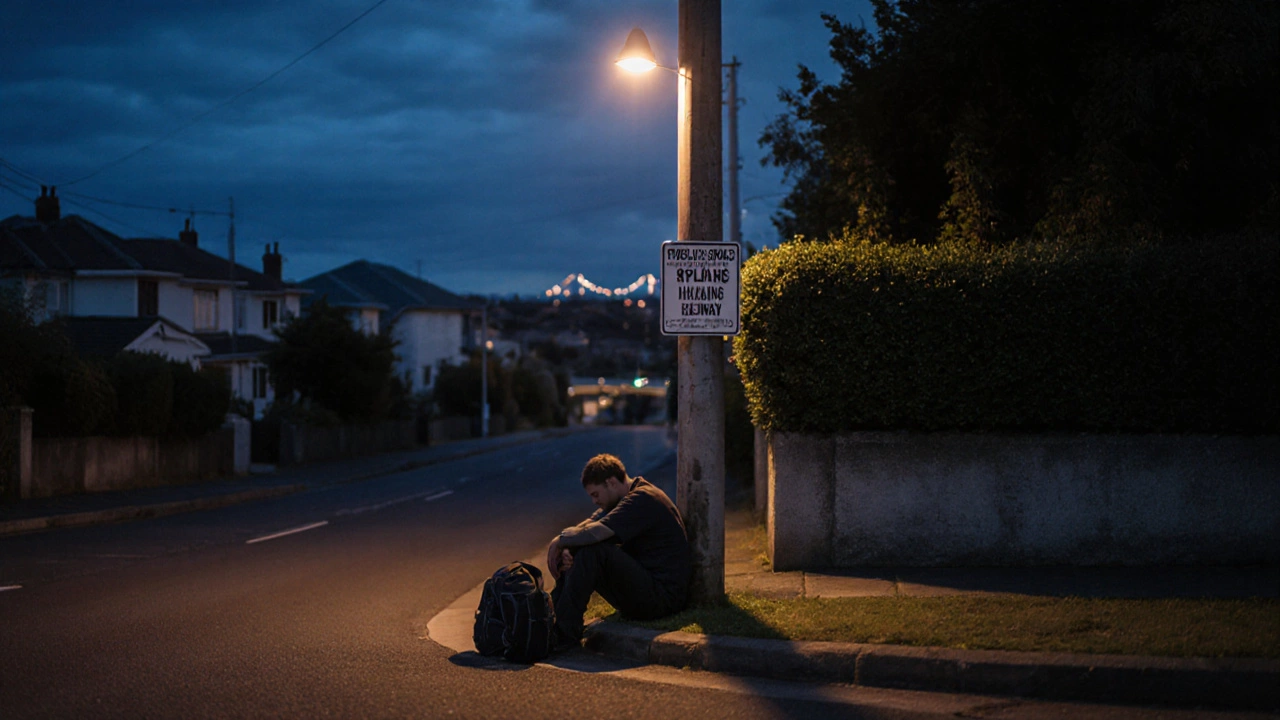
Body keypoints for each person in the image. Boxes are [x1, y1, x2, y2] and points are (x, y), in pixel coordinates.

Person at [546, 453, 691, 649]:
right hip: (646, 591)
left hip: (663, 598)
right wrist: (563, 543)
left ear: (612, 482)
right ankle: (553, 622)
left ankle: (564, 633)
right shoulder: (622, 500)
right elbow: (589, 524)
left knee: (592, 549)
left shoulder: (643, 498)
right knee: (579, 546)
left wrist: (563, 541)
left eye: (596, 495)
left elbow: (596, 533)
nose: (594, 501)